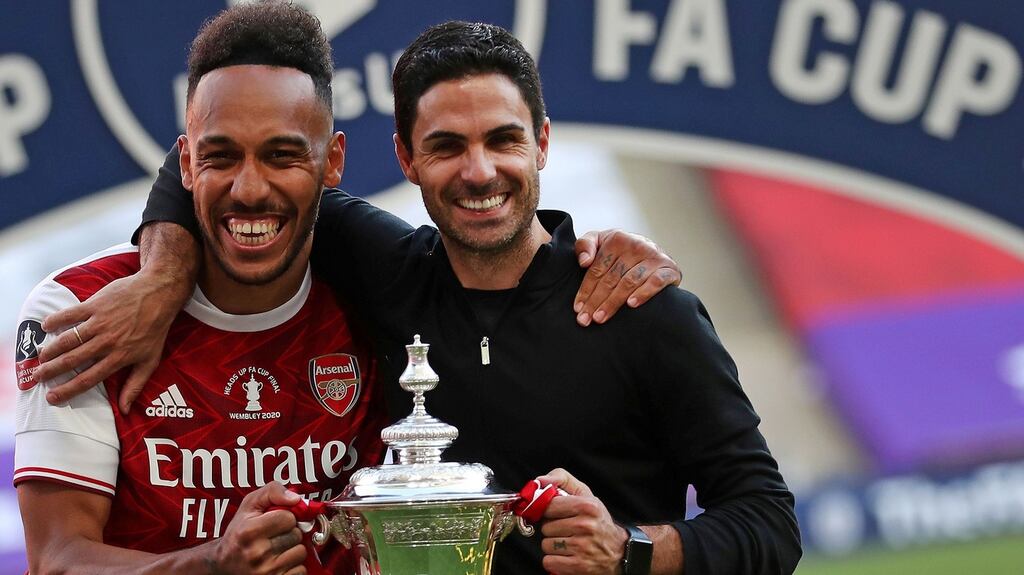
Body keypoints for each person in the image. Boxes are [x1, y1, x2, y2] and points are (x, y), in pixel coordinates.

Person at [30, 18, 788, 575]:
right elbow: (222, 153)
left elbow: (768, 522)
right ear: (405, 158)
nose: (479, 171)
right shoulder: (382, 264)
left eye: (503, 139)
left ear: (543, 144)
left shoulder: (635, 306)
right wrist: (162, 271)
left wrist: (632, 550)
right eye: (446, 146)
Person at [14, 4, 389, 573]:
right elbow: (56, 560)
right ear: (185, 164)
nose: (249, 188)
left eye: (282, 155)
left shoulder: (379, 298)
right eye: (221, 156)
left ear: (332, 160)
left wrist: (577, 257)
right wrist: (214, 563)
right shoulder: (75, 310)